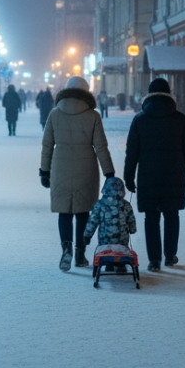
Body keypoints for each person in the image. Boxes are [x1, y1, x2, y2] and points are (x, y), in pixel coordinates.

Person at [123, 77, 185, 272]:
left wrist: (129, 177)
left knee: (151, 218)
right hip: (175, 176)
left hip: (148, 177)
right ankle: (170, 255)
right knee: (171, 216)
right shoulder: (179, 119)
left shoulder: (140, 119)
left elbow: (132, 152)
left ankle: (154, 260)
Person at [40, 76, 115, 272]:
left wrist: (44, 171)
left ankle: (66, 249)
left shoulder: (55, 114)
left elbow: (47, 145)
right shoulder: (93, 116)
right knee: (83, 213)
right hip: (86, 169)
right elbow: (101, 147)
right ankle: (80, 253)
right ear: (86, 92)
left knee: (64, 212)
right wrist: (109, 172)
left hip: (60, 168)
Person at [82, 177, 138, 271]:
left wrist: (87, 236)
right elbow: (131, 220)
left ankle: (109, 263)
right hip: (122, 241)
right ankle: (121, 263)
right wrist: (133, 229)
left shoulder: (100, 205)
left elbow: (93, 221)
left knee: (106, 250)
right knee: (122, 249)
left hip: (105, 241)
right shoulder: (126, 205)